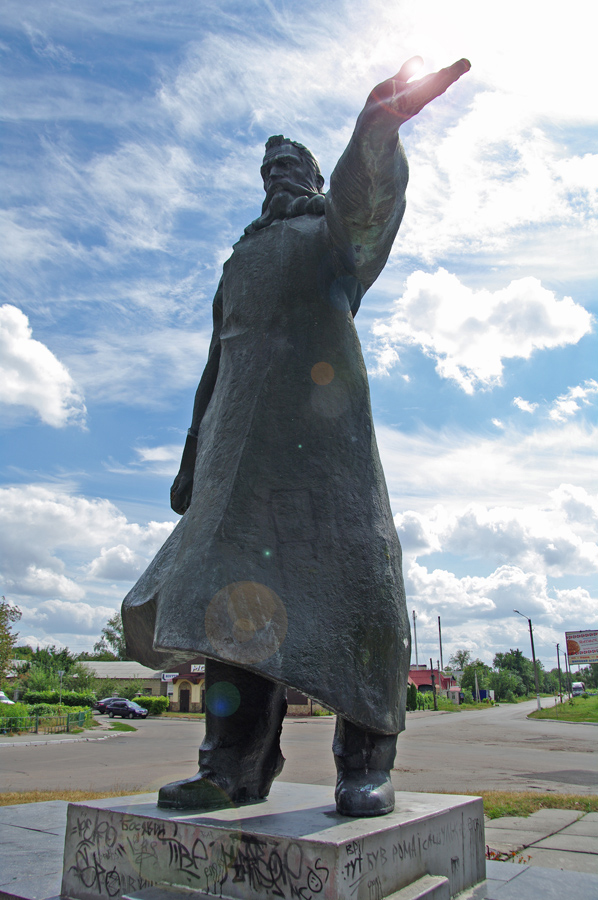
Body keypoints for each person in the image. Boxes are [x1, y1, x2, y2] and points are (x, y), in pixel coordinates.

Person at [122, 56, 470, 816]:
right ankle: (232, 767)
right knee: (232, 610)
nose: (279, 172)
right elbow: (215, 365)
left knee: (362, 594)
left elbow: (367, 203)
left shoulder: (329, 235)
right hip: (232, 463)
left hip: (326, 454)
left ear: (313, 176)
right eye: (269, 165)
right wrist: (190, 461)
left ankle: (364, 763)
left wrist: (374, 133)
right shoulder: (239, 259)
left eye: (292, 163)